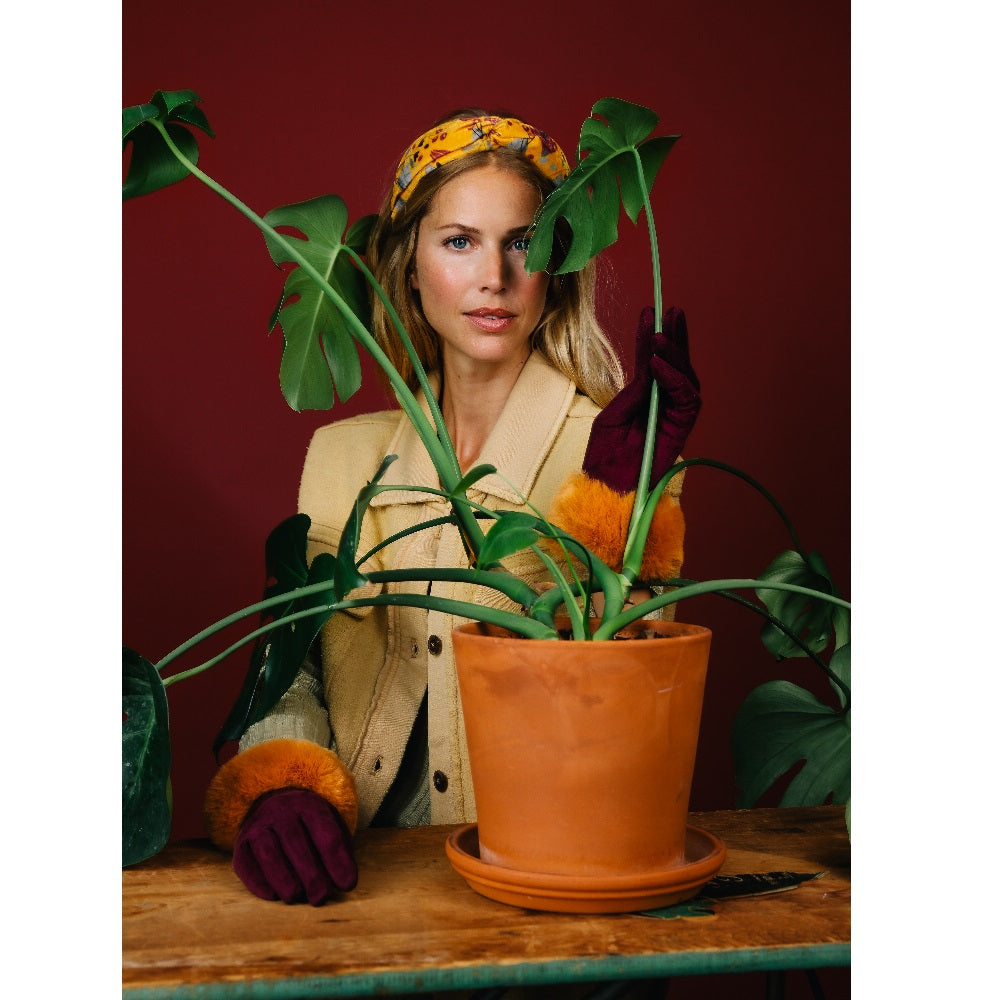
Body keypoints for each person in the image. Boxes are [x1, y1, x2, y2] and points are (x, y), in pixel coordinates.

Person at [203, 109, 700, 906]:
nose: (494, 276)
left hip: (548, 870)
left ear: (556, 267)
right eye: (460, 241)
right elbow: (290, 667)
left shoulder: (623, 447)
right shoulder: (342, 457)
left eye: (521, 242)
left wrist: (611, 494)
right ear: (409, 265)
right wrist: (284, 782)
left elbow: (625, 701)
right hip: (362, 880)